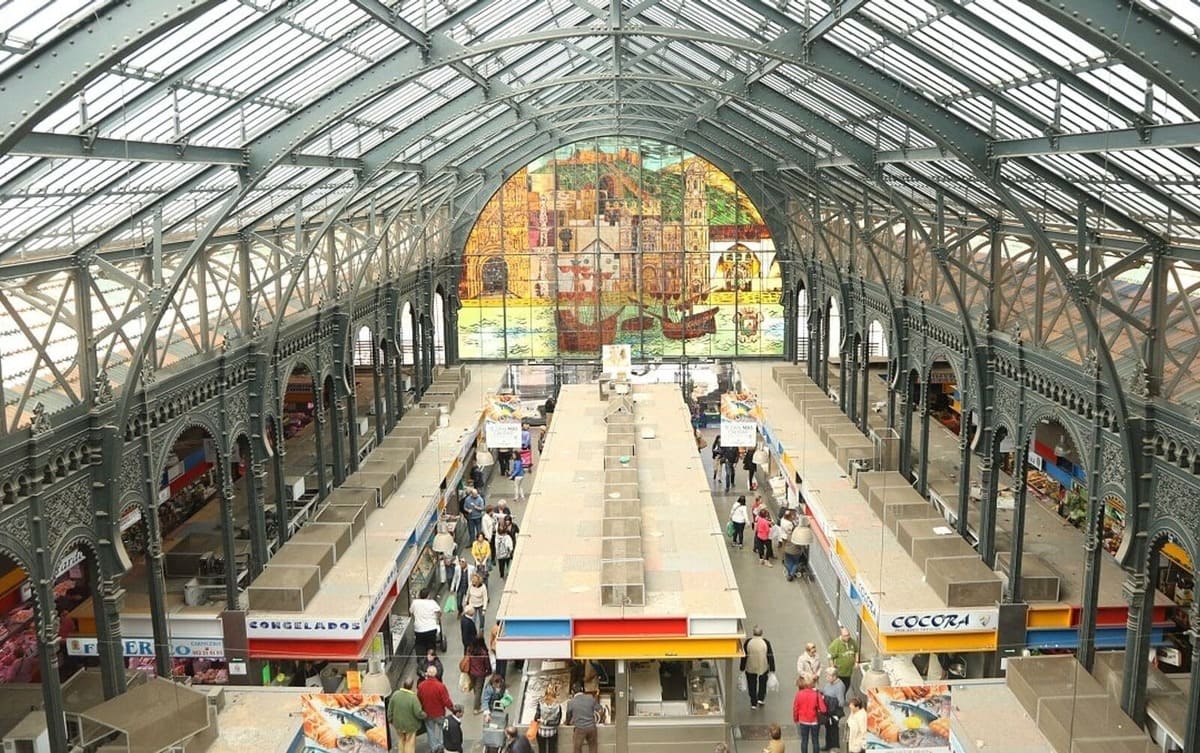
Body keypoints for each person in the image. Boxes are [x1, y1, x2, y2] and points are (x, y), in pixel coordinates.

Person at [417, 665, 455, 752]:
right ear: (436, 674)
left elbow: (418, 699)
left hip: (427, 712)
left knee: (430, 730)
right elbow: (446, 700)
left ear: (427, 674)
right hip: (439, 712)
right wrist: (453, 709)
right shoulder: (440, 686)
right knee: (442, 728)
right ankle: (441, 745)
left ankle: (433, 747)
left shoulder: (421, 686)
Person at [739, 626, 775, 709]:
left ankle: (753, 702)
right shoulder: (765, 642)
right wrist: (772, 668)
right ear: (761, 633)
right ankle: (761, 698)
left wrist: (742, 667)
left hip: (750, 667)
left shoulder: (748, 642)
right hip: (763, 666)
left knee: (752, 684)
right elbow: (770, 655)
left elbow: (744, 656)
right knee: (763, 683)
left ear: (753, 633)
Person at [388, 677, 426, 753]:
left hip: (398, 724)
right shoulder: (413, 698)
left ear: (403, 685)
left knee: (401, 739)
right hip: (410, 726)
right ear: (412, 686)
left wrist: (390, 719)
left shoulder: (395, 694)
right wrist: (424, 715)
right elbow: (418, 713)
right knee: (409, 742)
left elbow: (390, 709)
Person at [792, 675, 826, 753]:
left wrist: (796, 718)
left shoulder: (799, 694)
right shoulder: (817, 694)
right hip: (814, 721)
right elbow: (823, 709)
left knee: (804, 740)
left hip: (803, 721)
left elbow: (795, 708)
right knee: (815, 740)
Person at [565, 684, 599, 753]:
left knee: (577, 749)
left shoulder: (571, 702)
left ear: (572, 692)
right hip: (592, 727)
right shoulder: (590, 698)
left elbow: (568, 716)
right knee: (593, 748)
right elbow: (599, 709)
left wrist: (567, 723)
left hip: (580, 728)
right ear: (582, 690)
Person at [819, 667, 846, 751]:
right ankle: (828, 745)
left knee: (833, 729)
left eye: (828, 676)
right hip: (828, 711)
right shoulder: (829, 683)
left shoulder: (839, 686)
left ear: (834, 677)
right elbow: (824, 690)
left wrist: (831, 702)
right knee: (828, 728)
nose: (826, 677)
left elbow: (841, 702)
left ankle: (834, 748)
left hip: (834, 712)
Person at [411, 587, 442, 656]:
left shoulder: (415, 602)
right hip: (431, 628)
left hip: (419, 629)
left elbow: (411, 612)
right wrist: (437, 618)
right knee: (431, 646)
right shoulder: (432, 603)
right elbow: (439, 612)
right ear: (428, 595)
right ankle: (431, 660)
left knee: (420, 645)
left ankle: (421, 661)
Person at [466, 638, 493, 714]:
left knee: (475, 687)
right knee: (479, 690)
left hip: (471, 672)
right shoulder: (483, 653)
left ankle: (477, 701)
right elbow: (487, 664)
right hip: (480, 674)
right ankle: (476, 708)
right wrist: (489, 671)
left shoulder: (469, 650)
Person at [534, 688, 563, 753]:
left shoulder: (540, 704)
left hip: (541, 731)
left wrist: (542, 721)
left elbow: (536, 718)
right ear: (555, 696)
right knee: (552, 749)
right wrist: (547, 722)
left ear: (545, 695)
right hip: (552, 732)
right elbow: (557, 722)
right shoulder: (558, 706)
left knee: (542, 749)